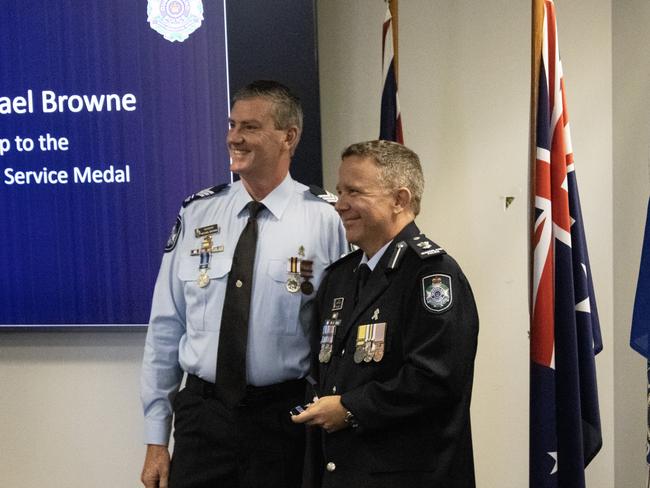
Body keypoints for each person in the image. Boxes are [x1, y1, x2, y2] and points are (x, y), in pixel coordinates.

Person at [140, 80, 347, 488]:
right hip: (202, 418)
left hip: (284, 418)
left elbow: (339, 334)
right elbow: (166, 328)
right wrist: (155, 439)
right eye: (233, 125)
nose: (234, 137)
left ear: (289, 137)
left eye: (250, 127)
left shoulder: (326, 219)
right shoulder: (198, 212)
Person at [292, 140, 479, 488]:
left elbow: (435, 380)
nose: (341, 205)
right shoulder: (339, 278)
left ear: (400, 200)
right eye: (339, 191)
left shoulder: (432, 275)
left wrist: (350, 408)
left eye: (354, 192)